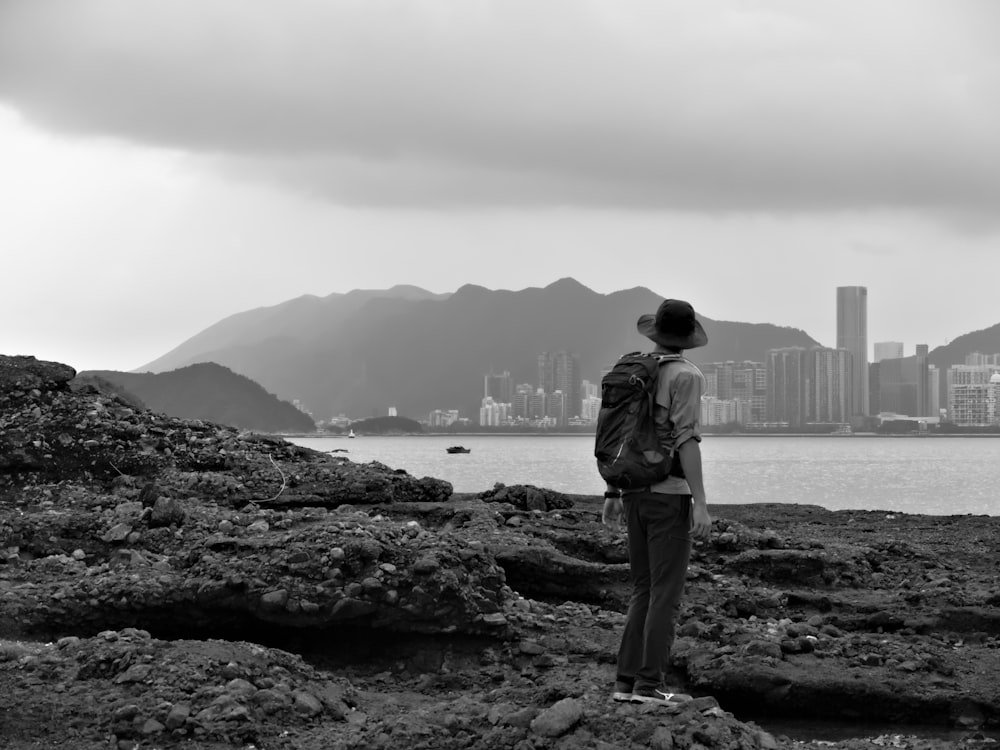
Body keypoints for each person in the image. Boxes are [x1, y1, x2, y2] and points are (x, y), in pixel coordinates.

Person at [602, 298, 713, 705]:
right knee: (665, 594)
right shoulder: (685, 376)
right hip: (669, 498)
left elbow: (619, 436)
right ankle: (650, 686)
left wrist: (612, 493)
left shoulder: (631, 369)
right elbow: (686, 439)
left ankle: (625, 684)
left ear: (655, 333)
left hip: (632, 494)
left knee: (642, 590)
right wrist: (700, 502)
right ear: (687, 338)